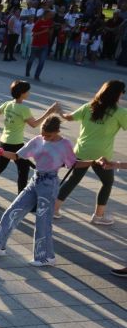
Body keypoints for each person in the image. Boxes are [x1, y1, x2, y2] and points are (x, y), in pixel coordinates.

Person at [0, 116, 83, 266]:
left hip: (49, 183)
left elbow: (73, 164)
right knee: (12, 211)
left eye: (48, 135)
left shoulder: (64, 144)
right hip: (35, 181)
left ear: (57, 132)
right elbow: (17, 155)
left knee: (43, 221)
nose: (44, 137)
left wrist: (94, 162)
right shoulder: (37, 140)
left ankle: (46, 257)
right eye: (43, 133)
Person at [54, 80, 127, 226]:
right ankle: (98, 216)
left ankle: (54, 209)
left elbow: (68, 117)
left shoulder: (89, 107)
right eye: (123, 92)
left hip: (81, 151)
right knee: (107, 182)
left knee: (73, 180)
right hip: (102, 156)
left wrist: (59, 110)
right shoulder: (120, 112)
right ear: (118, 94)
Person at [0, 80, 60, 201]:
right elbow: (34, 125)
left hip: (4, 142)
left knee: (0, 168)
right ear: (22, 93)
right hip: (16, 144)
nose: (29, 93)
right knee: (23, 170)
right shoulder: (23, 109)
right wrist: (49, 112)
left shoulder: (8, 104)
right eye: (27, 91)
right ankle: (22, 199)